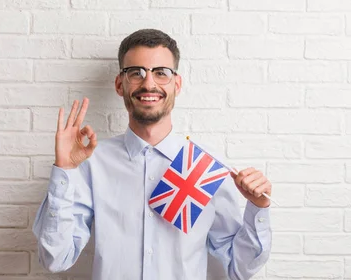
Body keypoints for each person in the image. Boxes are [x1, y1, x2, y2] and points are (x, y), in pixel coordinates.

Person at [32, 29, 272, 280]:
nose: (149, 83)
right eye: (136, 72)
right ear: (119, 84)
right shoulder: (92, 163)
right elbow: (55, 258)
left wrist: (258, 207)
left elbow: (239, 268)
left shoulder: (206, 166)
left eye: (161, 73)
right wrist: (64, 171)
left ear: (176, 84)